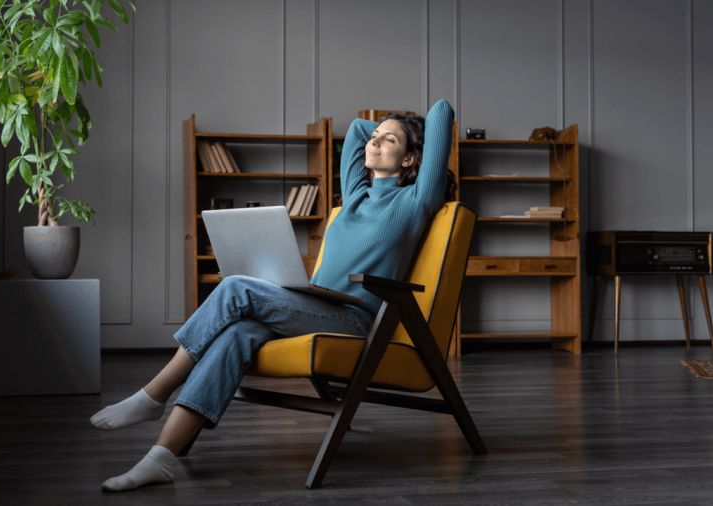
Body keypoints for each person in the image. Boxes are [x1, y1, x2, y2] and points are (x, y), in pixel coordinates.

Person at [91, 98, 456, 492]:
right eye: (377, 137)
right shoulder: (355, 195)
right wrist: (387, 131)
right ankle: (159, 458)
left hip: (353, 319)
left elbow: (442, 113)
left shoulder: (415, 202)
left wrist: (399, 128)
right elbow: (354, 131)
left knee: (234, 286)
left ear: (410, 160)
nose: (374, 143)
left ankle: (154, 393)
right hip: (312, 305)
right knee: (237, 333)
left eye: (390, 142)